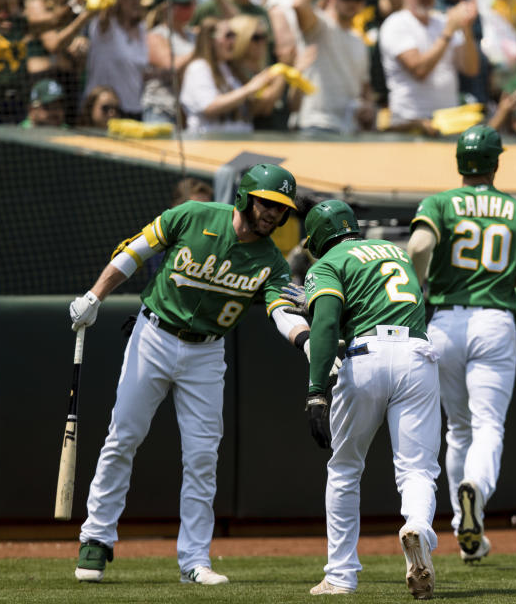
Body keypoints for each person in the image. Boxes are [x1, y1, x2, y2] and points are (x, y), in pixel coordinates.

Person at [70, 165, 327, 585]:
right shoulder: (192, 215)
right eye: (267, 203)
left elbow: (281, 311)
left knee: (203, 457)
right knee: (123, 437)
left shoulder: (271, 261)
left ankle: (194, 560)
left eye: (281, 209)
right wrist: (95, 296)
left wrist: (305, 341)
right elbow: (134, 252)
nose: (272, 215)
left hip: (207, 353)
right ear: (246, 197)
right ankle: (96, 539)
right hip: (153, 335)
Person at [407, 124, 516, 563]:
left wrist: (420, 284)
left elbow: (418, 244)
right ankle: (479, 493)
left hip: (446, 318)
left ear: (459, 161)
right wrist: (507, 274)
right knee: (489, 424)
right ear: (495, 162)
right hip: (495, 318)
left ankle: (464, 528)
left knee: (458, 429)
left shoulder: (440, 202)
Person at [300, 199, 441, 600]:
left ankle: (341, 575)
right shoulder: (395, 251)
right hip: (417, 354)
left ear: (319, 237)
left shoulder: (326, 264)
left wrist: (315, 391)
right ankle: (418, 527)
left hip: (366, 358)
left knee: (345, 469)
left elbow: (326, 324)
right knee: (417, 470)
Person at [378, 0, 479, 131]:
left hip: (448, 121)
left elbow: (470, 68)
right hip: (410, 121)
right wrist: (447, 33)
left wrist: (467, 28)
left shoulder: (442, 21)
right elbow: (419, 70)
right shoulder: (396, 23)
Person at [293, 0, 373, 134]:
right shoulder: (322, 26)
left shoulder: (359, 40)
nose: (352, 2)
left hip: (349, 129)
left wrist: (368, 107)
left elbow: (364, 88)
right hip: (317, 124)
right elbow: (299, 3)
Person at [179, 17, 283, 134]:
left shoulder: (229, 68)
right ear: (211, 40)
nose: (233, 41)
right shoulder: (199, 68)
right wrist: (249, 89)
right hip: (209, 145)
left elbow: (251, 110)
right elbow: (209, 106)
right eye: (228, 35)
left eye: (234, 36)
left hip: (237, 142)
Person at [83, 0, 148, 120]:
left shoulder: (142, 29)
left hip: (135, 109)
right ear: (116, 1)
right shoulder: (105, 27)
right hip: (105, 110)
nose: (135, 1)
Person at [141, 0, 198, 124]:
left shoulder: (192, 35)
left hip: (187, 112)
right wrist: (201, 48)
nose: (191, 7)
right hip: (161, 110)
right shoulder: (155, 36)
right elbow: (171, 66)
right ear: (166, 8)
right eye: (184, 5)